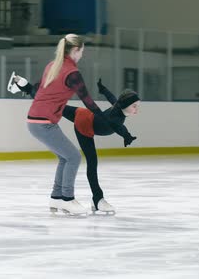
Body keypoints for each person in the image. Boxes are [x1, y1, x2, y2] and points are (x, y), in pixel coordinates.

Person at [22, 34, 136, 216]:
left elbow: (39, 89)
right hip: (43, 123)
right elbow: (88, 101)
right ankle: (68, 199)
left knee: (64, 157)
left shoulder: (52, 66)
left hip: (36, 120)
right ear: (75, 50)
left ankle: (56, 196)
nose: (82, 55)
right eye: (81, 52)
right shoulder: (72, 73)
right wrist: (103, 117)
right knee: (74, 157)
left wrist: (26, 87)